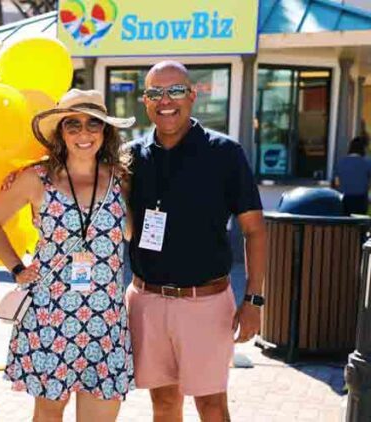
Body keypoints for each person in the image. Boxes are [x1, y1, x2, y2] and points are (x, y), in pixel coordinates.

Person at [0, 89, 136, 421]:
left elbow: (133, 233)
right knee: (48, 415)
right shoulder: (36, 179)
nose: (84, 134)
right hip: (50, 316)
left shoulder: (121, 180)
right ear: (60, 133)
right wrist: (17, 268)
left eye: (93, 124)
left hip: (105, 318)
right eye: (73, 125)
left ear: (105, 131)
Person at [124, 61, 267, 421]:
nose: (165, 100)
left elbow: (255, 230)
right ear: (145, 100)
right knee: (164, 405)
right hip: (147, 301)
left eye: (174, 90)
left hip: (204, 303)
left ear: (192, 95)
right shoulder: (131, 158)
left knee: (212, 406)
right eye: (155, 92)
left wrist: (253, 299)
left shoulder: (224, 153)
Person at [333, 136, 371, 214]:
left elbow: (336, 183)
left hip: (344, 198)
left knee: (345, 223)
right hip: (361, 199)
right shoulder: (367, 162)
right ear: (363, 148)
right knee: (360, 223)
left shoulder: (341, 162)